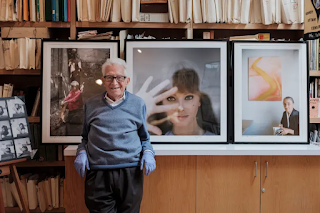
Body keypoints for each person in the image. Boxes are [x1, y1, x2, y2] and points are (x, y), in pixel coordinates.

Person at [74, 58, 156, 213]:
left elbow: (145, 138)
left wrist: (149, 153)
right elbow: (85, 138)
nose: (114, 82)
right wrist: (82, 152)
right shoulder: (90, 105)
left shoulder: (138, 104)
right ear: (103, 80)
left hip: (130, 172)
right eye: (109, 77)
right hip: (98, 172)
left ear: (127, 81)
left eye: (119, 77)